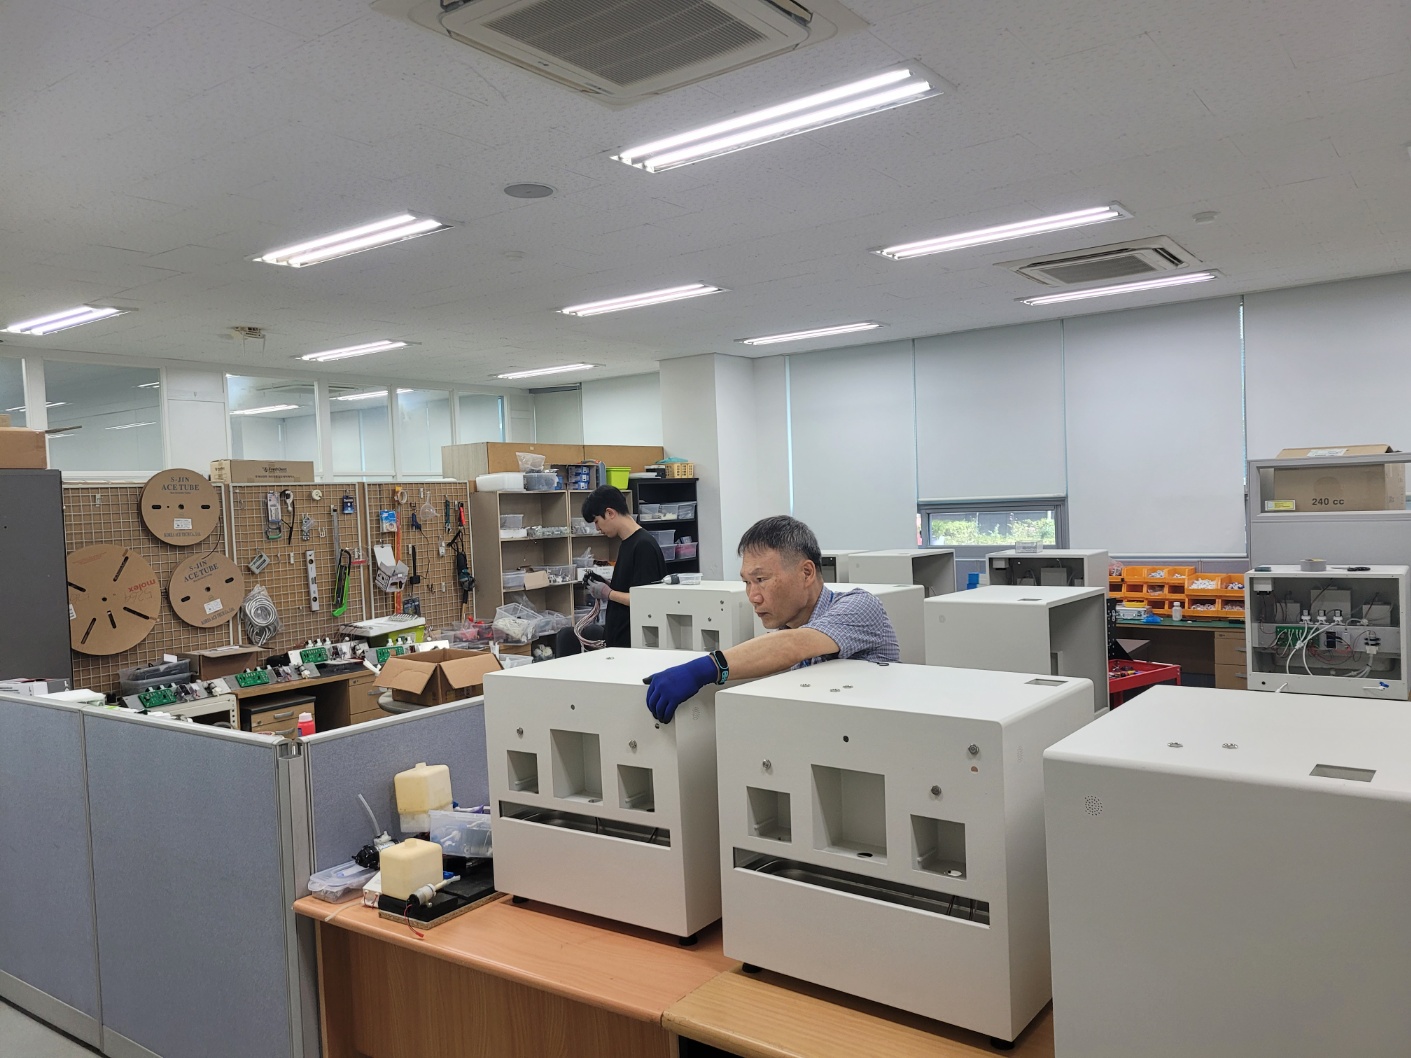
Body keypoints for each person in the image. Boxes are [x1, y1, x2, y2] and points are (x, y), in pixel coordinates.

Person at [644, 515, 898, 722]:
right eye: (747, 582)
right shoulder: (783, 632)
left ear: (806, 572)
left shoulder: (861, 606)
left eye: (761, 580)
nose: (753, 597)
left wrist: (705, 669)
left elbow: (794, 645)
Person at [579, 485, 667, 649]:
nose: (597, 528)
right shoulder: (627, 543)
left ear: (610, 513)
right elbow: (631, 586)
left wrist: (608, 593)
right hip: (619, 640)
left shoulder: (643, 546)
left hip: (634, 643)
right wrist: (605, 583)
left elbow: (646, 599)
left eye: (597, 521)